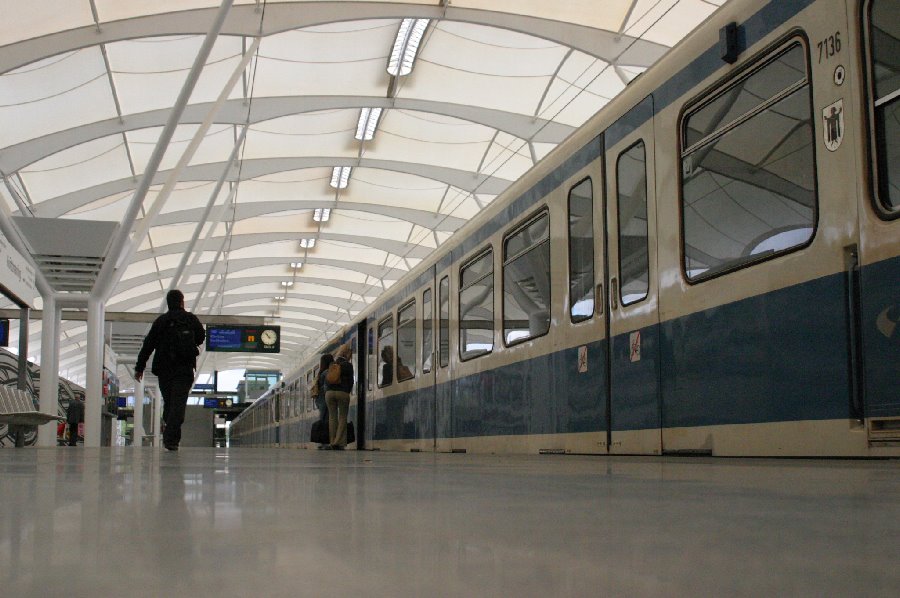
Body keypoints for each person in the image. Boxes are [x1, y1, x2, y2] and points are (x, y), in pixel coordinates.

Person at [134, 289, 205, 451]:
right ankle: (171, 438)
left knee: (170, 403)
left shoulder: (161, 321)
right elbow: (201, 337)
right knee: (178, 404)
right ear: (182, 302)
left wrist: (140, 367)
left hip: (164, 369)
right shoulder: (190, 319)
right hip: (184, 368)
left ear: (168, 302)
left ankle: (170, 436)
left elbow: (148, 344)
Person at [325, 343, 353, 450]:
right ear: (347, 353)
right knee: (342, 417)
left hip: (329, 393)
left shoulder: (332, 364)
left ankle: (332, 441)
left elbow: (327, 380)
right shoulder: (348, 365)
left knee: (332, 417)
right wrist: (347, 391)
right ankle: (338, 442)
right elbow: (351, 382)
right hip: (342, 393)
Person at [315, 353, 333, 449]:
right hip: (325, 398)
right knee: (327, 420)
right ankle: (326, 442)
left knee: (323, 419)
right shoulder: (327, 372)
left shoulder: (320, 373)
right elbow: (327, 386)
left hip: (320, 399)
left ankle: (323, 442)